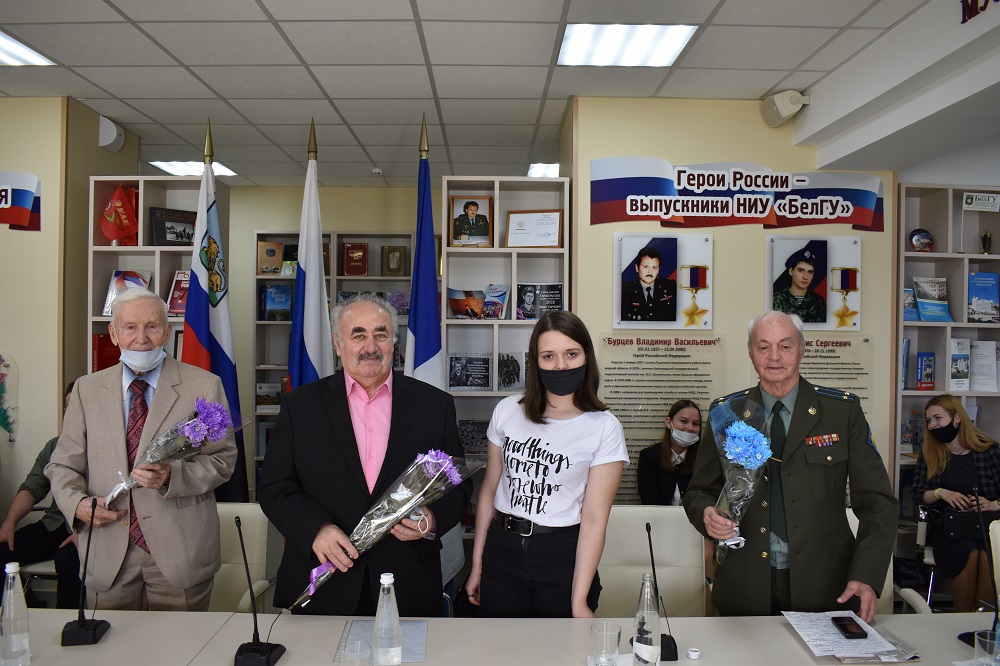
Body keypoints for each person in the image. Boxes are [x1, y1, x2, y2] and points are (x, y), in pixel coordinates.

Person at [258, 293, 471, 616]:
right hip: (327, 579)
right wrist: (315, 530)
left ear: (393, 342)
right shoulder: (300, 406)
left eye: (380, 334)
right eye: (358, 335)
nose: (370, 346)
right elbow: (274, 487)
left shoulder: (434, 405)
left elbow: (457, 485)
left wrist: (431, 520)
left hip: (408, 583)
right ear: (338, 343)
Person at [682, 311, 897, 622]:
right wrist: (706, 513)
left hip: (826, 583)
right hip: (744, 582)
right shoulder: (727, 413)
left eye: (785, 346)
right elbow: (699, 491)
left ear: (801, 350)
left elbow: (879, 504)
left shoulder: (841, 411)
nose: (774, 356)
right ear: (751, 353)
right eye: (763, 346)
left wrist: (866, 575)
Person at [45, 288, 237, 611]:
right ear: (114, 334)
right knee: (111, 643)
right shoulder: (86, 390)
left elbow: (223, 460)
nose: (142, 338)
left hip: (180, 554)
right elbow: (61, 465)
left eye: (152, 326)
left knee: (182, 644)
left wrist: (172, 476)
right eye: (130, 327)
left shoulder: (204, 385)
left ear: (167, 331)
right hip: (107, 552)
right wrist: (77, 504)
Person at [466, 310, 628, 618]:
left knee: (561, 644)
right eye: (548, 356)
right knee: (499, 642)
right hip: (502, 550)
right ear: (535, 362)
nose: (561, 365)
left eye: (571, 354)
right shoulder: (507, 411)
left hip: (562, 556)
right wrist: (477, 566)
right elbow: (488, 492)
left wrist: (579, 601)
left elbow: (594, 519)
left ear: (587, 356)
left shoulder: (604, 427)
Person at [911, 394, 1000, 613]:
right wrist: (940, 493)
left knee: (988, 553)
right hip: (949, 527)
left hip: (987, 524)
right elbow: (918, 494)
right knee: (967, 552)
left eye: (938, 418)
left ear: (957, 418)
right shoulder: (930, 454)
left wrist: (995, 504)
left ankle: (983, 620)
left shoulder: (990, 451)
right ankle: (962, 617)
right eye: (929, 421)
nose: (932, 425)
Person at [0, 381, 81, 609]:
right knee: (2, 551)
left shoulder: (109, 448)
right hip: (54, 525)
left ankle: (68, 623)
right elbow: (33, 487)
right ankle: (30, 612)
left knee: (68, 561)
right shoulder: (54, 446)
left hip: (88, 528)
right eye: (68, 408)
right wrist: (9, 523)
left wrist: (86, 533)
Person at [637, 400, 703, 506]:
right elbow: (650, 500)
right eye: (684, 421)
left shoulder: (704, 458)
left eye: (696, 424)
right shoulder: (649, 456)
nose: (690, 428)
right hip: (659, 516)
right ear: (669, 422)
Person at [621, 246, 677, 322]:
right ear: (637, 268)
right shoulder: (625, 291)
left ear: (658, 270)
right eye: (646, 267)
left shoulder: (670, 287)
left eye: (654, 267)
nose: (650, 272)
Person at [772, 246, 826, 323]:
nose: (805, 277)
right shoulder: (776, 300)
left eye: (810, 272)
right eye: (801, 271)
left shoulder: (819, 302)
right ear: (791, 271)